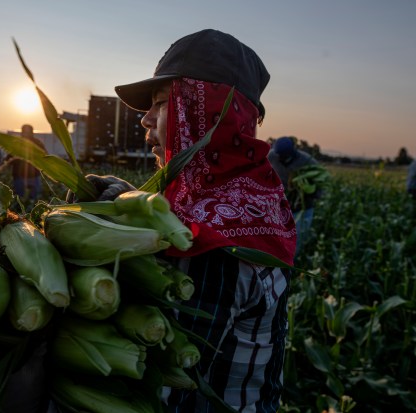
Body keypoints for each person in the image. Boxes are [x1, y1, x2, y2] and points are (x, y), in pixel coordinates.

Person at [113, 28, 296, 412]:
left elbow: (158, 395)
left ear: (207, 115)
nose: (145, 119)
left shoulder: (211, 241)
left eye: (162, 103)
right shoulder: (254, 202)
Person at [267, 136, 322, 253]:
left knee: (295, 244)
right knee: (275, 242)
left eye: (285, 156)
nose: (281, 158)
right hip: (278, 207)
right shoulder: (272, 156)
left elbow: (320, 188)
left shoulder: (308, 162)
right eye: (280, 156)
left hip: (301, 209)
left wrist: (311, 191)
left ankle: (290, 268)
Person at [8, 124, 46, 202]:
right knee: (20, 200)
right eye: (25, 132)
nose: (26, 134)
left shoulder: (37, 143)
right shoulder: (16, 143)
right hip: (20, 177)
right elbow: (9, 158)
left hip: (33, 176)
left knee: (33, 201)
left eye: (28, 132)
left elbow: (44, 156)